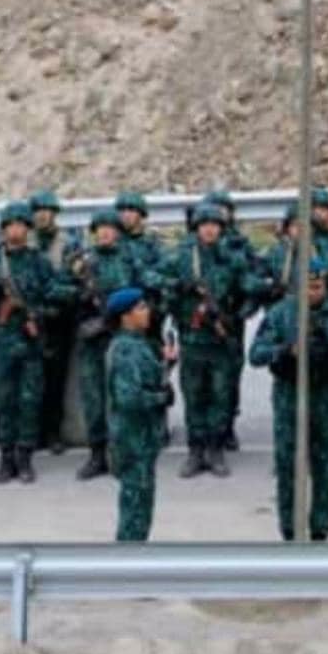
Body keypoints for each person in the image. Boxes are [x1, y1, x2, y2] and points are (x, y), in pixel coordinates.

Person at [249, 255, 328, 541]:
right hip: (289, 393)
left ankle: (321, 529)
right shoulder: (281, 313)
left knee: (326, 465)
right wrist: (284, 350)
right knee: (288, 464)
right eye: (306, 287)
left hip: (325, 393)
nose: (312, 293)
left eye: (317, 287)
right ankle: (290, 529)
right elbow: (255, 354)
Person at [163, 200, 268, 478]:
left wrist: (238, 316)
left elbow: (253, 288)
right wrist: (179, 291)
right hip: (192, 340)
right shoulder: (182, 258)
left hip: (221, 342)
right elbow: (160, 285)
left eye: (214, 225)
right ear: (196, 228)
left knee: (221, 397)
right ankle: (195, 451)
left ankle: (216, 449)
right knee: (194, 396)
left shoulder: (231, 259)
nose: (209, 230)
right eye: (204, 225)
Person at [0, 201, 72, 484]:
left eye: (21, 225)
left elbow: (59, 294)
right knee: (4, 400)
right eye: (11, 225)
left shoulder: (38, 261)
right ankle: (6, 458)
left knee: (30, 400)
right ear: (3, 229)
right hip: (2, 342)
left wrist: (38, 313)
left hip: (31, 342)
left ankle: (25, 457)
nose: (16, 230)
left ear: (27, 229)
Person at [71, 209, 144, 481]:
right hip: (92, 341)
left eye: (109, 228)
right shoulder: (83, 261)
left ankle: (121, 453)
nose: (103, 232)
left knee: (123, 397)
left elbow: (145, 292)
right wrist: (81, 292)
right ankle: (97, 454)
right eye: (99, 228)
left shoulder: (130, 260)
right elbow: (59, 290)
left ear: (118, 233)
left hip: (121, 340)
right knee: (94, 399)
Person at [105, 287, 174, 541]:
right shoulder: (126, 350)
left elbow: (147, 379)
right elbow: (129, 398)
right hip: (133, 441)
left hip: (142, 438)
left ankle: (134, 557)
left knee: (141, 509)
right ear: (126, 316)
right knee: (135, 512)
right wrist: (161, 398)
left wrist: (167, 365)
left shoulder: (137, 344)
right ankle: (127, 560)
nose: (147, 312)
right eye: (141, 308)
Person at [30, 189, 79, 455]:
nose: (42, 216)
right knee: (31, 379)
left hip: (58, 321)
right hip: (28, 321)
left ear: (54, 214)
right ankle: (32, 432)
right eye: (38, 211)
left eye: (47, 211)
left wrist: (51, 295)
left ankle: (52, 431)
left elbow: (74, 283)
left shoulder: (67, 243)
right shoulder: (25, 241)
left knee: (56, 379)